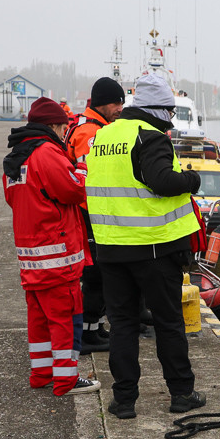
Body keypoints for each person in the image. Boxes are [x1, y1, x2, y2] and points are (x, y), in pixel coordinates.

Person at [85, 73, 205, 420]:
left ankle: (124, 400)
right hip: (152, 248)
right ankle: (181, 393)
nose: (170, 118)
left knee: (122, 325)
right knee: (169, 323)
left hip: (111, 247)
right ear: (157, 110)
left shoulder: (104, 136)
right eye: (168, 111)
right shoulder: (150, 137)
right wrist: (192, 180)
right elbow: (162, 181)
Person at [2, 97, 100, 396]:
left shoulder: (17, 156)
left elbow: (12, 199)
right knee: (66, 319)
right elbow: (73, 190)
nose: (64, 134)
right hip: (58, 255)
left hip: (30, 257)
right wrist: (82, 168)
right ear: (54, 125)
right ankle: (66, 380)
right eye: (62, 127)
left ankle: (42, 373)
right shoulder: (47, 154)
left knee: (40, 320)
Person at [64, 77, 126, 353]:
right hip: (90, 214)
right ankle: (89, 331)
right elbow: (89, 178)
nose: (120, 108)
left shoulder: (91, 127)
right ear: (102, 103)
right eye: (116, 103)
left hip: (90, 213)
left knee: (98, 273)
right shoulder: (91, 133)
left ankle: (96, 326)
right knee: (95, 274)